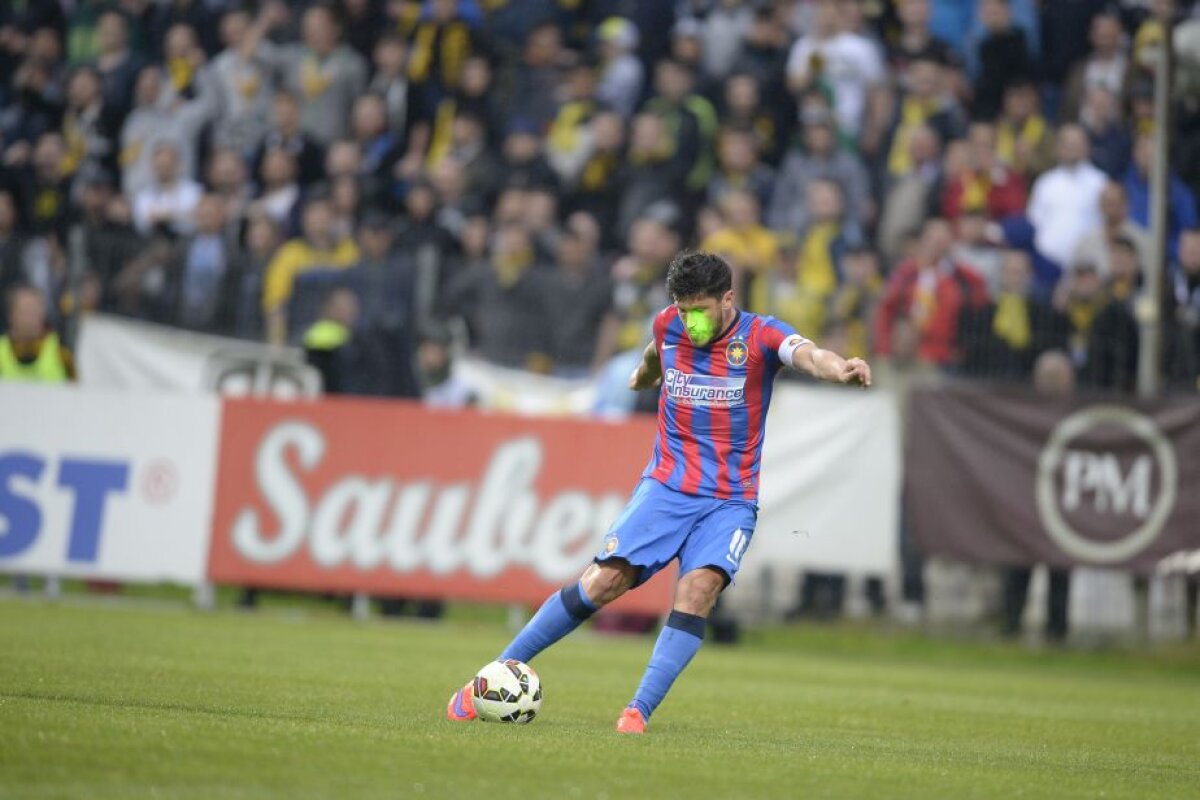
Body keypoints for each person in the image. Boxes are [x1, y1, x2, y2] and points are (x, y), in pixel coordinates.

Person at [446, 250, 871, 733]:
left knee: (699, 589)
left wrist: (839, 368)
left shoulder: (761, 335)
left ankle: (637, 712)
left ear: (727, 299)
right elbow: (655, 352)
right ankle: (486, 680)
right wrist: (643, 375)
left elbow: (809, 354)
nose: (690, 322)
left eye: (700, 310)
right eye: (683, 309)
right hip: (667, 486)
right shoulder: (669, 324)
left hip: (729, 500)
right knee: (603, 582)